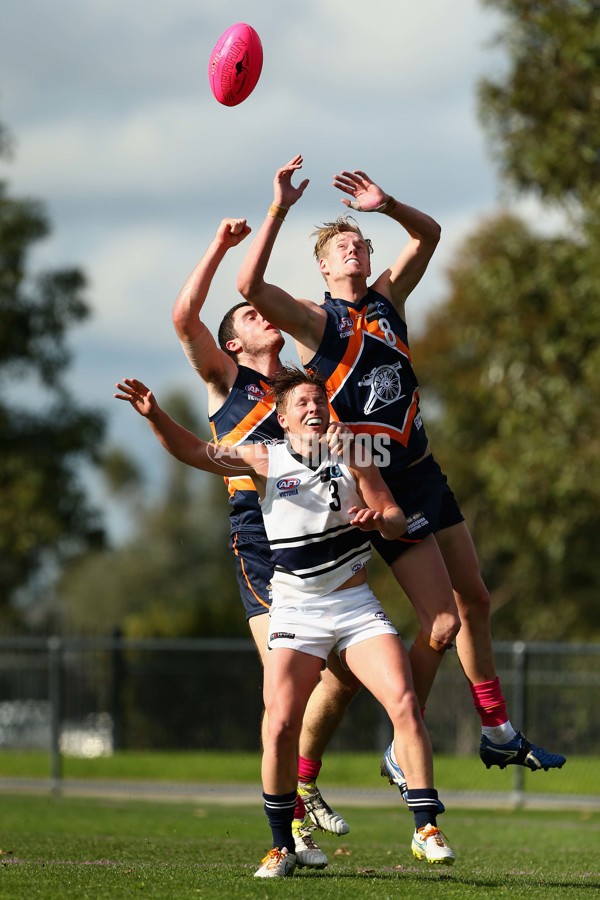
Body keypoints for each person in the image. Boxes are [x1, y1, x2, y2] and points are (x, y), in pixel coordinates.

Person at [236, 155, 566, 790]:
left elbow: (430, 234)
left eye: (359, 240)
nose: (355, 248)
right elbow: (251, 287)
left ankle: (495, 731)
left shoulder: (388, 299)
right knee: (437, 623)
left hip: (422, 467)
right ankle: (367, 752)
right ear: (325, 267)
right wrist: (278, 207)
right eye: (341, 245)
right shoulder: (314, 320)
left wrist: (386, 205)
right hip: (373, 482)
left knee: (475, 599)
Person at [114, 366, 456, 877]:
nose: (315, 407)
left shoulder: (356, 452)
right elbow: (193, 452)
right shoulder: (264, 456)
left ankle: (426, 826)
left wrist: (375, 516)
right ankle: (281, 846)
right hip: (296, 607)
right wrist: (157, 416)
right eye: (303, 403)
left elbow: (397, 519)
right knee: (277, 726)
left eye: (320, 399)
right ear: (282, 416)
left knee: (405, 702)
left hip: (355, 603)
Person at [170, 219, 361, 867]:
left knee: (345, 675)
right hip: (262, 543)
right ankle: (283, 837)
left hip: (321, 534)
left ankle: (303, 782)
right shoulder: (227, 381)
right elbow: (183, 317)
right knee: (282, 697)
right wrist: (220, 246)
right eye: (250, 314)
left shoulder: (305, 386)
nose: (263, 316)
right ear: (233, 340)